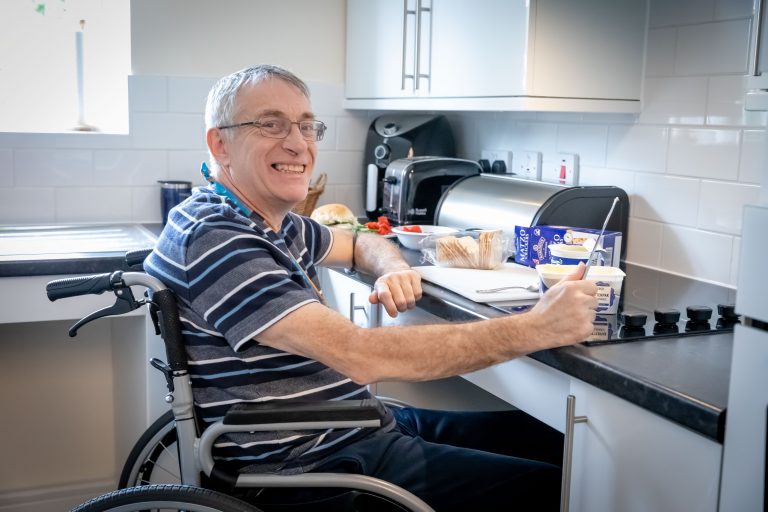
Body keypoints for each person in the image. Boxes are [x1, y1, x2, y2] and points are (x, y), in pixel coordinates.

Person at [144, 64, 598, 511]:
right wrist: (536, 327)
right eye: (270, 124)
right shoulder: (217, 238)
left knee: (552, 443)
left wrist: (392, 268)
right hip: (310, 468)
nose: (298, 143)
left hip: (351, 428)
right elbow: (361, 355)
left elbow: (361, 241)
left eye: (306, 126)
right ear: (219, 143)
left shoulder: (263, 222)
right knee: (555, 487)